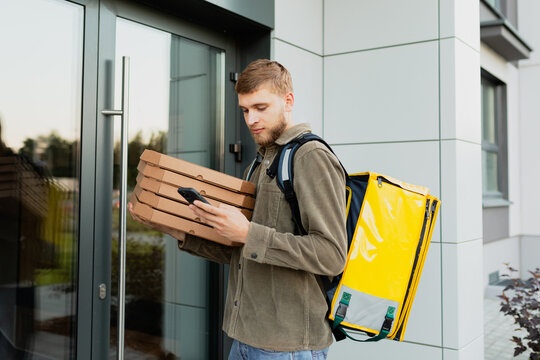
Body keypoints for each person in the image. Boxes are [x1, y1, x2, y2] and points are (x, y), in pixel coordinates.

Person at [129, 59, 347, 359]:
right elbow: (242, 251)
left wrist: (248, 232)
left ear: (288, 101)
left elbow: (332, 254)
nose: (251, 119)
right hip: (245, 338)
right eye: (245, 110)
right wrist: (175, 229)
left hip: (288, 348)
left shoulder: (310, 157)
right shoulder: (260, 163)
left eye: (260, 107)